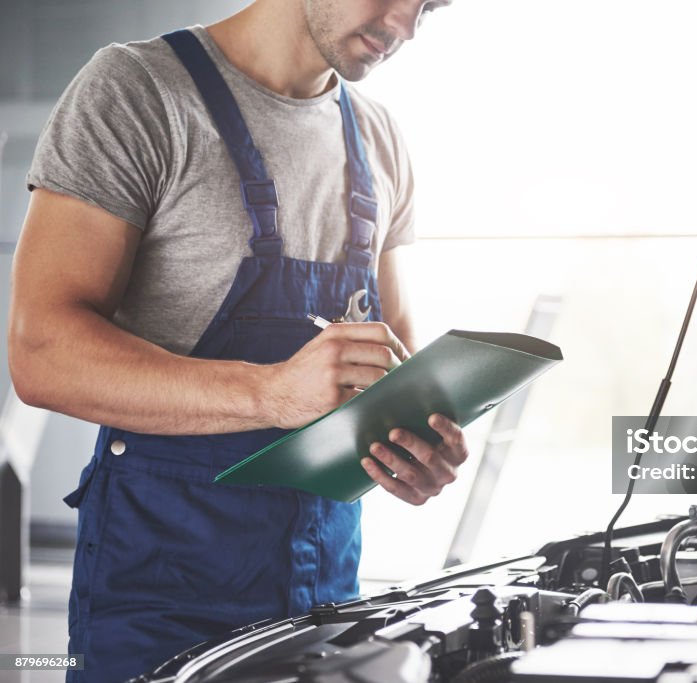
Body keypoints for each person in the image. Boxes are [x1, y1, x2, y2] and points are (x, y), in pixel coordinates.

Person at [8, 0, 465, 680]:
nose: (403, 26)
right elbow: (41, 352)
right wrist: (271, 393)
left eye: (429, 6)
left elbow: (393, 363)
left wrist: (415, 440)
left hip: (327, 603)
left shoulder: (378, 137)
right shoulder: (137, 92)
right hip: (158, 607)